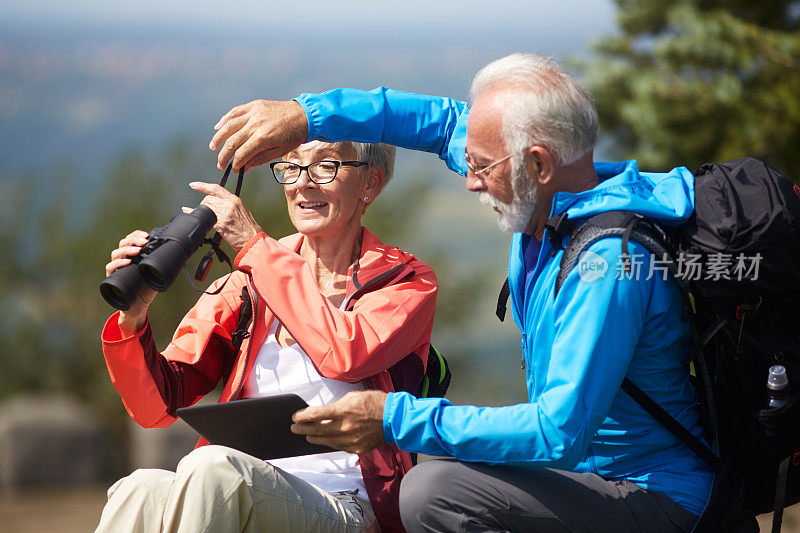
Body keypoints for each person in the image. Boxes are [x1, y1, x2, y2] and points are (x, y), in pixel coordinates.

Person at [208, 53, 724, 532]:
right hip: (588, 474)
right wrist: (308, 116)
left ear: (539, 164)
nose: (471, 180)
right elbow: (440, 124)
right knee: (445, 480)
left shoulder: (607, 264)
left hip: (652, 495)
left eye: (480, 167)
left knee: (434, 490)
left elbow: (557, 431)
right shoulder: (546, 198)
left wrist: (393, 418)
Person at [96, 140, 438, 533]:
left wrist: (253, 246)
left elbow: (347, 353)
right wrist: (134, 318)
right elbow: (156, 407)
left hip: (349, 503)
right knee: (138, 489)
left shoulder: (406, 281)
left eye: (324, 166)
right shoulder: (246, 284)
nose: (302, 184)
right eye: (291, 167)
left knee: (214, 468)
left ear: (370, 183)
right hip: (241, 481)